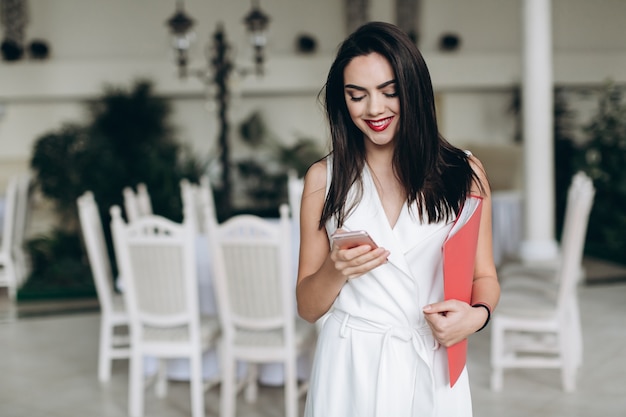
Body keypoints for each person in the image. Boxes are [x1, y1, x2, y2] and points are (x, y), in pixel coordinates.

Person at [295, 21, 500, 417]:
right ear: (343, 101)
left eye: (390, 92)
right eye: (357, 96)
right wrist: (336, 270)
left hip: (432, 360)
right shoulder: (325, 179)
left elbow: (484, 276)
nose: (374, 109)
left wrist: (476, 317)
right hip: (350, 364)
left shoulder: (464, 174)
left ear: (415, 91)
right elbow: (307, 307)